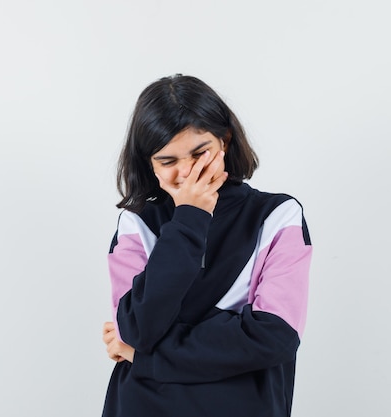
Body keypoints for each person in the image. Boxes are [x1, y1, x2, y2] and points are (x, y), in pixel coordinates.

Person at [101, 74, 312, 417]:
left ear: (225, 141)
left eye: (200, 153)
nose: (186, 172)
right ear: (149, 164)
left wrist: (145, 356)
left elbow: (274, 338)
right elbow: (139, 329)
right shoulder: (136, 224)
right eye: (167, 161)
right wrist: (190, 217)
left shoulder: (277, 216)